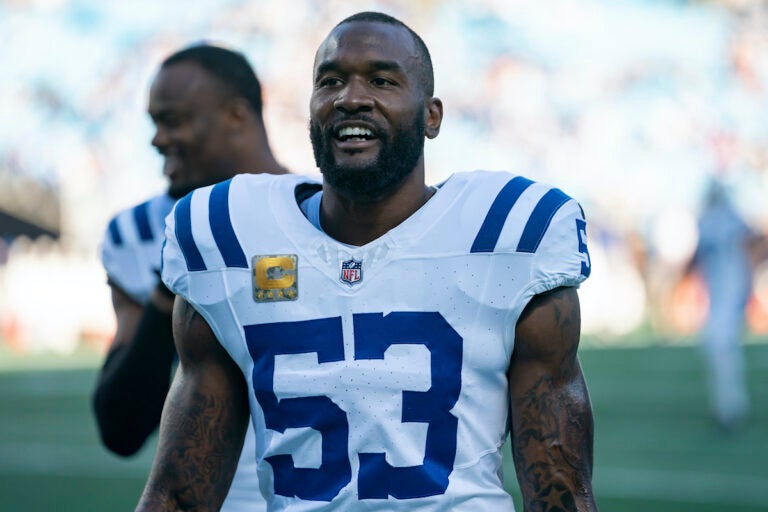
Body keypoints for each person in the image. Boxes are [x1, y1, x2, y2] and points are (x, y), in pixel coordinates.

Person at [137, 12, 597, 511]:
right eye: (330, 81)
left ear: (431, 116)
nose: (350, 97)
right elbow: (180, 496)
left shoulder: (508, 233)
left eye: (382, 80)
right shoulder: (228, 235)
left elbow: (562, 493)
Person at [94, 43, 288, 511]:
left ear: (236, 116)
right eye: (155, 122)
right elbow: (121, 427)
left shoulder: (321, 214)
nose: (158, 139)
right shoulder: (138, 234)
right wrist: (176, 279)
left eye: (174, 120)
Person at [688, 179, 755, 432]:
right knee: (719, 349)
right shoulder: (723, 217)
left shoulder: (714, 219)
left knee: (719, 348)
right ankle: (728, 405)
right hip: (722, 292)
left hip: (727, 292)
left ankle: (730, 408)